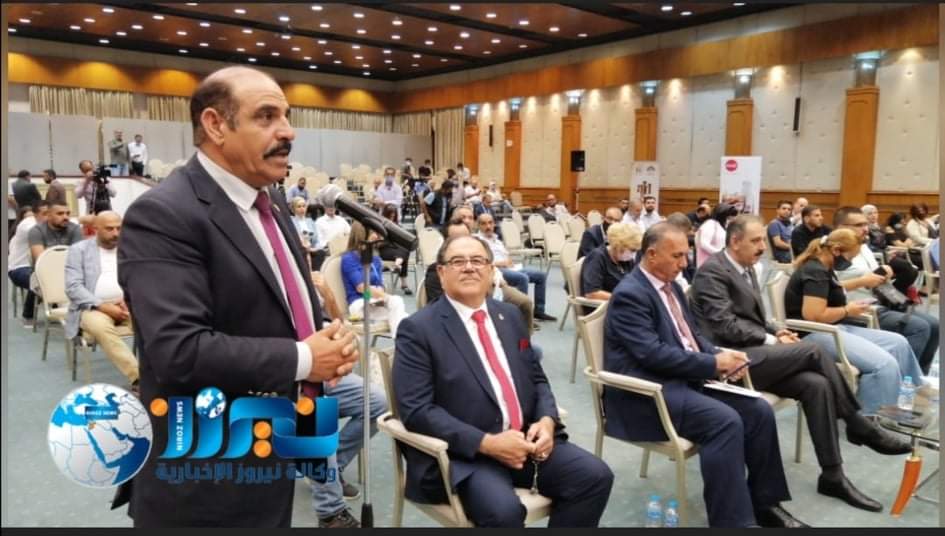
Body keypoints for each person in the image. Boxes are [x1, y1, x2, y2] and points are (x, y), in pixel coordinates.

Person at [117, 66, 360, 527]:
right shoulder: (164, 214)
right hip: (208, 475)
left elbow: (279, 303)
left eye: (286, 116)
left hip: (275, 442)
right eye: (266, 116)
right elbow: (178, 351)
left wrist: (327, 336)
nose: (287, 132)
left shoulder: (270, 200)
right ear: (215, 125)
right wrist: (306, 358)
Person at [691, 215, 910, 512]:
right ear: (735, 241)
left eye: (762, 240)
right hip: (728, 361)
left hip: (754, 353)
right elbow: (724, 325)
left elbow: (753, 317)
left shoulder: (745, 266)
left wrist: (776, 330)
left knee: (816, 385)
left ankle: (833, 475)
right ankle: (857, 423)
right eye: (756, 241)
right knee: (813, 351)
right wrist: (771, 339)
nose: (762, 247)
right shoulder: (712, 272)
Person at [393, 233, 614, 527]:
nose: (469, 267)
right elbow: (417, 410)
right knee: (504, 513)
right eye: (458, 261)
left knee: (594, 476)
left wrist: (546, 419)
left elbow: (536, 378)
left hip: (525, 441)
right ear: (442, 273)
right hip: (467, 455)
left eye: (478, 260)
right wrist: (487, 443)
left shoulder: (509, 315)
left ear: (490, 270)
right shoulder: (418, 329)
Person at [604, 223, 804, 528]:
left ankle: (765, 503)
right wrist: (712, 364)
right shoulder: (630, 295)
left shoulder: (672, 286)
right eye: (677, 256)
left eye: (686, 255)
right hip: (646, 393)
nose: (685, 263)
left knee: (758, 410)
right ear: (652, 254)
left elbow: (693, 338)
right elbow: (653, 355)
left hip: (683, 379)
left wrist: (721, 355)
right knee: (724, 421)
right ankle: (732, 523)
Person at [784, 229, 928, 415]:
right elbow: (814, 316)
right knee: (884, 365)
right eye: (850, 257)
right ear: (836, 250)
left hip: (833, 327)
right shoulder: (815, 271)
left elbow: (835, 289)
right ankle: (868, 418)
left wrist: (854, 300)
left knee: (899, 343)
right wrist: (847, 310)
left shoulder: (824, 266)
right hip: (813, 335)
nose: (850, 262)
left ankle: (907, 396)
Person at [306, 271, 389, 528]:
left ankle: (332, 467)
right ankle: (331, 513)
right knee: (314, 415)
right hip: (295, 372)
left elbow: (339, 322)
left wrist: (327, 294)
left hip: (331, 369)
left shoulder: (312, 281)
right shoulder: (275, 283)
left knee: (378, 403)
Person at [833, 207, 937, 375]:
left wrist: (885, 274)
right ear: (840, 227)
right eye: (859, 225)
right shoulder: (832, 251)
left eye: (865, 224)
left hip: (881, 299)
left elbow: (872, 278)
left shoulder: (863, 246)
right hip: (859, 309)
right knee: (919, 328)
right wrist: (864, 281)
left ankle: (918, 376)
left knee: (935, 325)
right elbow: (829, 286)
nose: (865, 229)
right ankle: (902, 379)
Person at [64, 211, 139, 389]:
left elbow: (141, 278)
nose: (116, 233)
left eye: (119, 228)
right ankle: (139, 378)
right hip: (91, 307)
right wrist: (102, 305)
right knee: (101, 328)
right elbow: (73, 287)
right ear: (95, 228)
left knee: (153, 322)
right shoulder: (79, 250)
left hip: (126, 303)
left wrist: (128, 297)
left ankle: (164, 373)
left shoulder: (129, 248)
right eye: (109, 229)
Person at [426, 219, 536, 334]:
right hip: (470, 309)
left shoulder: (481, 254)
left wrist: (495, 275)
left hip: (494, 287)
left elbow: (491, 267)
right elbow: (439, 309)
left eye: (466, 237)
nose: (463, 243)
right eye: (456, 239)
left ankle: (524, 339)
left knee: (524, 303)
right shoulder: (437, 270)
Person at [476, 213, 556, 322]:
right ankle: (521, 316)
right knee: (522, 278)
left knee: (540, 276)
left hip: (509, 267)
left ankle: (539, 311)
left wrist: (508, 261)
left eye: (490, 223)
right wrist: (501, 263)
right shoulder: (478, 241)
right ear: (479, 225)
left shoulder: (497, 240)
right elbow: (482, 262)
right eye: (484, 224)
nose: (488, 226)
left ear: (494, 224)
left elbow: (505, 255)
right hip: (495, 270)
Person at [341, 221, 408, 337]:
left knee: (405, 317)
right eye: (373, 233)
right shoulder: (349, 259)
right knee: (397, 303)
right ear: (362, 235)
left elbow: (380, 285)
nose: (376, 236)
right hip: (359, 304)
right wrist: (383, 297)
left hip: (375, 302)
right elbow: (361, 288)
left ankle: (399, 342)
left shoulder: (376, 259)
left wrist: (379, 297)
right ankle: (401, 344)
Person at [8, 202, 48, 326]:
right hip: (19, 269)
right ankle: (28, 315)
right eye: (44, 213)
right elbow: (35, 229)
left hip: (38, 267)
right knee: (38, 279)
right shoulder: (27, 225)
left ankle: (56, 307)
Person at [580, 222, 640, 303]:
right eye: (632, 250)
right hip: (602, 305)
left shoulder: (625, 260)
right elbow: (592, 293)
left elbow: (634, 280)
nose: (633, 254)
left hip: (622, 302)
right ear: (618, 247)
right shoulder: (597, 257)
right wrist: (623, 298)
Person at [378, 204, 413, 295]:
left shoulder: (397, 226)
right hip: (384, 250)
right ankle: (404, 284)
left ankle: (398, 262)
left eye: (393, 216)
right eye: (390, 216)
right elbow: (377, 244)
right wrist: (384, 238)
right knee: (404, 254)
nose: (391, 219)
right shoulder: (379, 226)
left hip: (396, 249)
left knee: (405, 249)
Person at [695, 202, 736, 268]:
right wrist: (722, 254)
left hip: (718, 263)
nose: (730, 220)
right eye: (729, 218)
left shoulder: (721, 226)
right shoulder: (710, 224)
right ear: (722, 215)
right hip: (708, 264)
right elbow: (703, 244)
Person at [290, 196, 323, 270]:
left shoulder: (310, 221)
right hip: (299, 251)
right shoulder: (291, 221)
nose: (302, 209)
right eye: (299, 206)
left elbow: (317, 241)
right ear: (293, 209)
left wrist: (314, 249)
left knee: (321, 253)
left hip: (312, 251)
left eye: (304, 206)